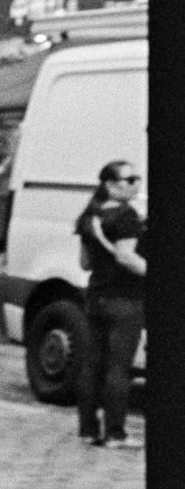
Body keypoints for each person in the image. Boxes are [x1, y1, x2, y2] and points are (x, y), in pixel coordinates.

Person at [72, 158, 146, 447]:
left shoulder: (89, 216)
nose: (135, 184)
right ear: (110, 184)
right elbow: (126, 256)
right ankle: (116, 434)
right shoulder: (127, 216)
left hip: (95, 296)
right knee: (119, 367)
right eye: (128, 180)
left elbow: (85, 262)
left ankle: (88, 430)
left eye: (136, 178)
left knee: (92, 365)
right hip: (125, 298)